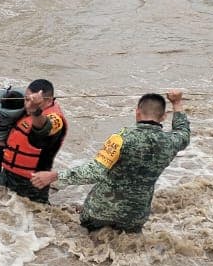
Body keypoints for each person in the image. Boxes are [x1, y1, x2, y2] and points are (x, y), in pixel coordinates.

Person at [31, 90, 190, 232]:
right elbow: (183, 132)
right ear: (163, 117)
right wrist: (176, 102)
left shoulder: (120, 138)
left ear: (137, 112)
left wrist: (54, 176)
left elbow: (94, 172)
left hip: (99, 214)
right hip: (134, 218)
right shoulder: (172, 142)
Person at [0, 78, 67, 203]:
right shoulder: (28, 109)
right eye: (26, 99)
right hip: (7, 174)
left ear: (48, 100)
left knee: (31, 218)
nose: (27, 104)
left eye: (30, 100)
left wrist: (35, 110)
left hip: (31, 183)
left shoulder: (56, 120)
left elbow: (43, 128)